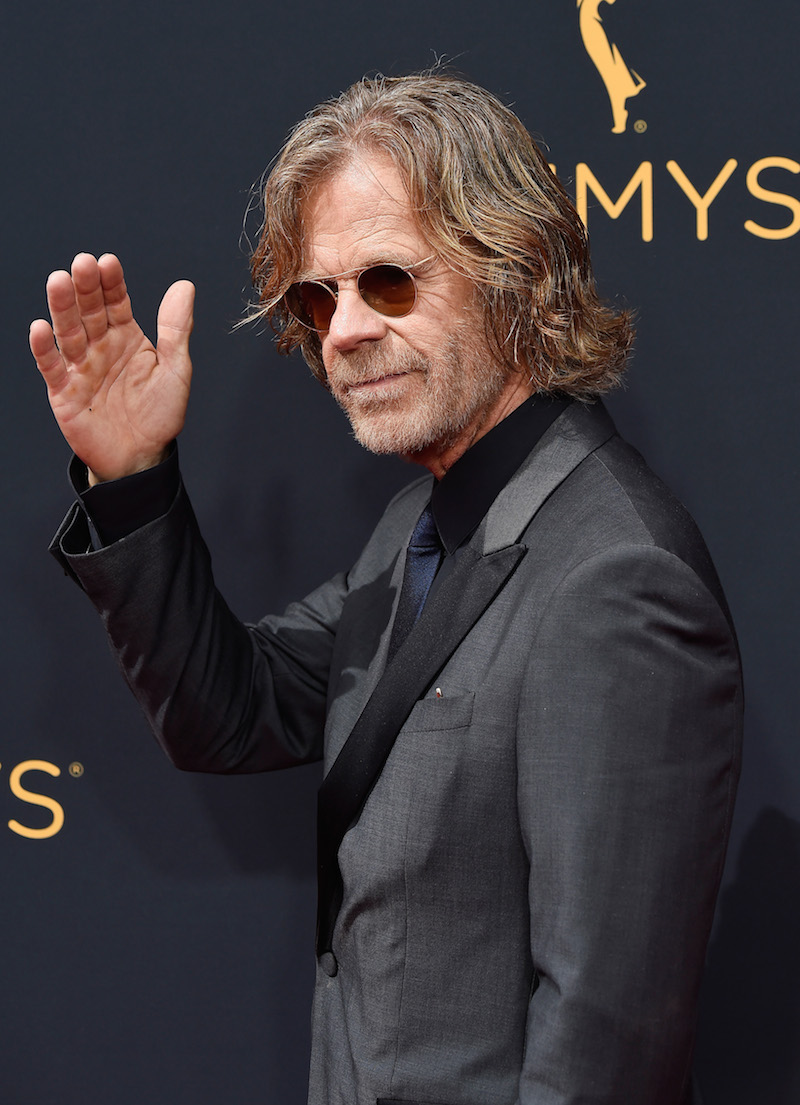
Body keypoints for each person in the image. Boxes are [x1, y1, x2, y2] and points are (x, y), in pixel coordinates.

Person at [30, 72, 742, 1105]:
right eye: (318, 298)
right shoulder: (417, 524)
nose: (343, 330)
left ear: (513, 272)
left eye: (388, 282)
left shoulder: (614, 578)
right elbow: (228, 711)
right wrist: (132, 477)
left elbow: (608, 1044)